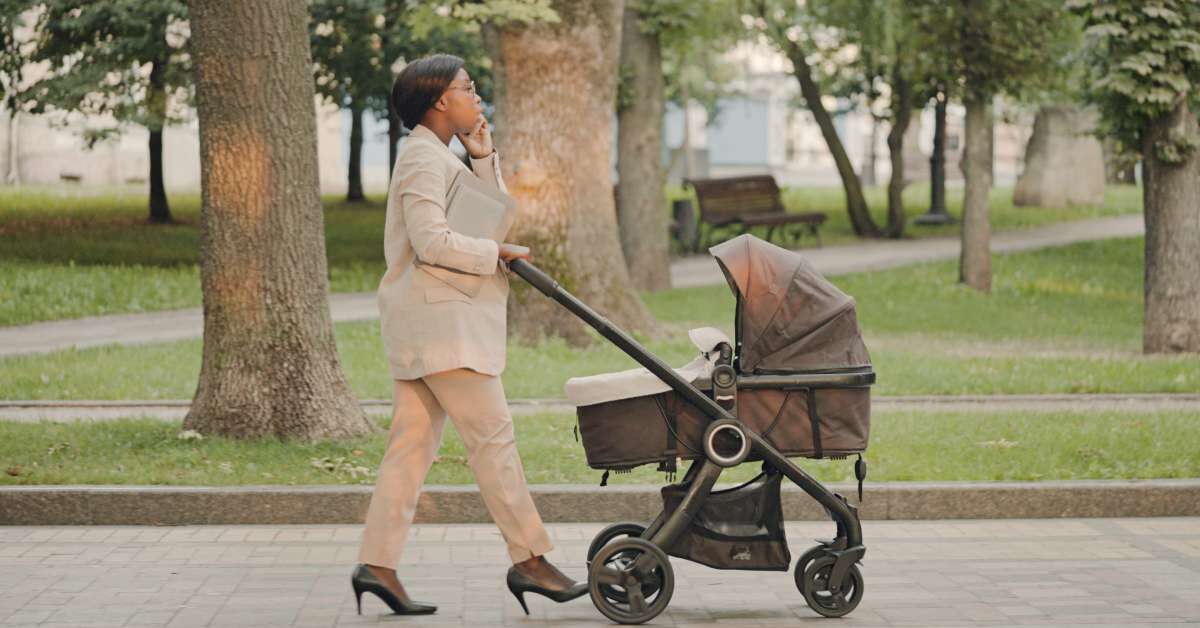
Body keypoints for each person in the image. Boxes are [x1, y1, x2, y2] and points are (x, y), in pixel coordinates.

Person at [351, 53, 588, 617]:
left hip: (434, 325)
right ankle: (530, 559)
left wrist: (483, 160)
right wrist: (494, 255)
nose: (477, 97)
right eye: (467, 88)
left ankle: (377, 564)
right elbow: (433, 242)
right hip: (442, 329)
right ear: (439, 101)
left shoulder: (438, 157)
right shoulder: (422, 162)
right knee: (494, 443)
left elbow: (483, 220)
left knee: (409, 451)